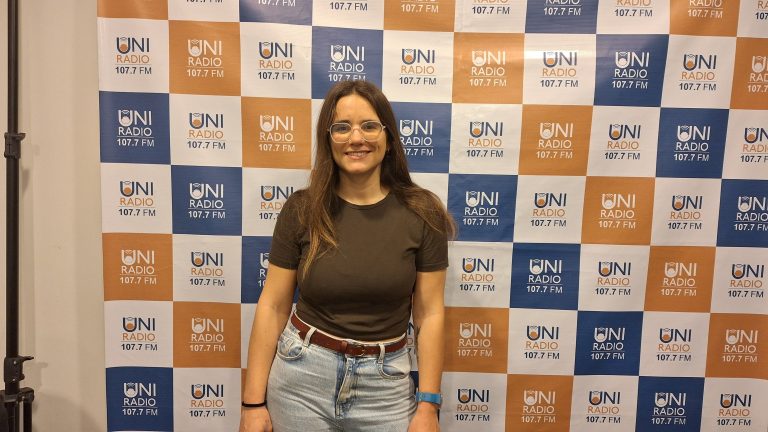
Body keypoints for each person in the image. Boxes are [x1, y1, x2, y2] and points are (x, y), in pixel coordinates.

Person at [239, 80, 455, 432]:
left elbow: (429, 314)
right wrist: (252, 403)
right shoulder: (302, 209)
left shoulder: (422, 213)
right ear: (329, 139)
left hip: (385, 388)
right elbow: (274, 305)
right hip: (300, 382)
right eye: (342, 127)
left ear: (388, 138)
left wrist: (429, 405)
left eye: (369, 126)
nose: (356, 138)